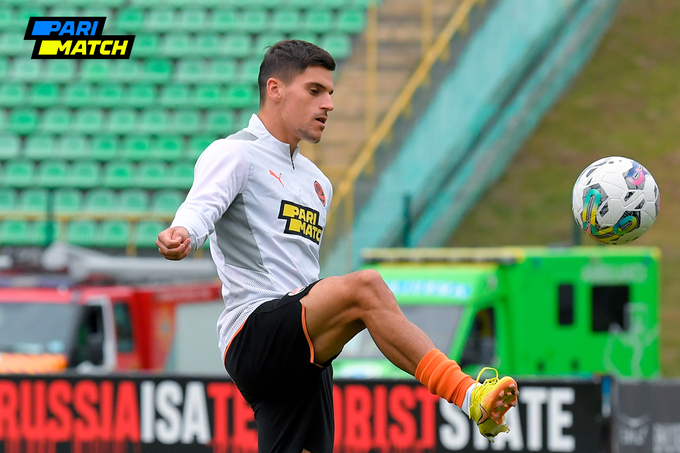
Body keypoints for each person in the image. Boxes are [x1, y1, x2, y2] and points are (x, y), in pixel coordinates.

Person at [157, 40, 518, 453]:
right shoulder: (235, 153)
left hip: (304, 346)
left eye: (330, 93)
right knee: (365, 288)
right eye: (315, 91)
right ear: (275, 89)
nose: (328, 104)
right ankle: (469, 395)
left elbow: (299, 273)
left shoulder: (318, 184)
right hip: (255, 332)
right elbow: (201, 206)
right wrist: (184, 232)